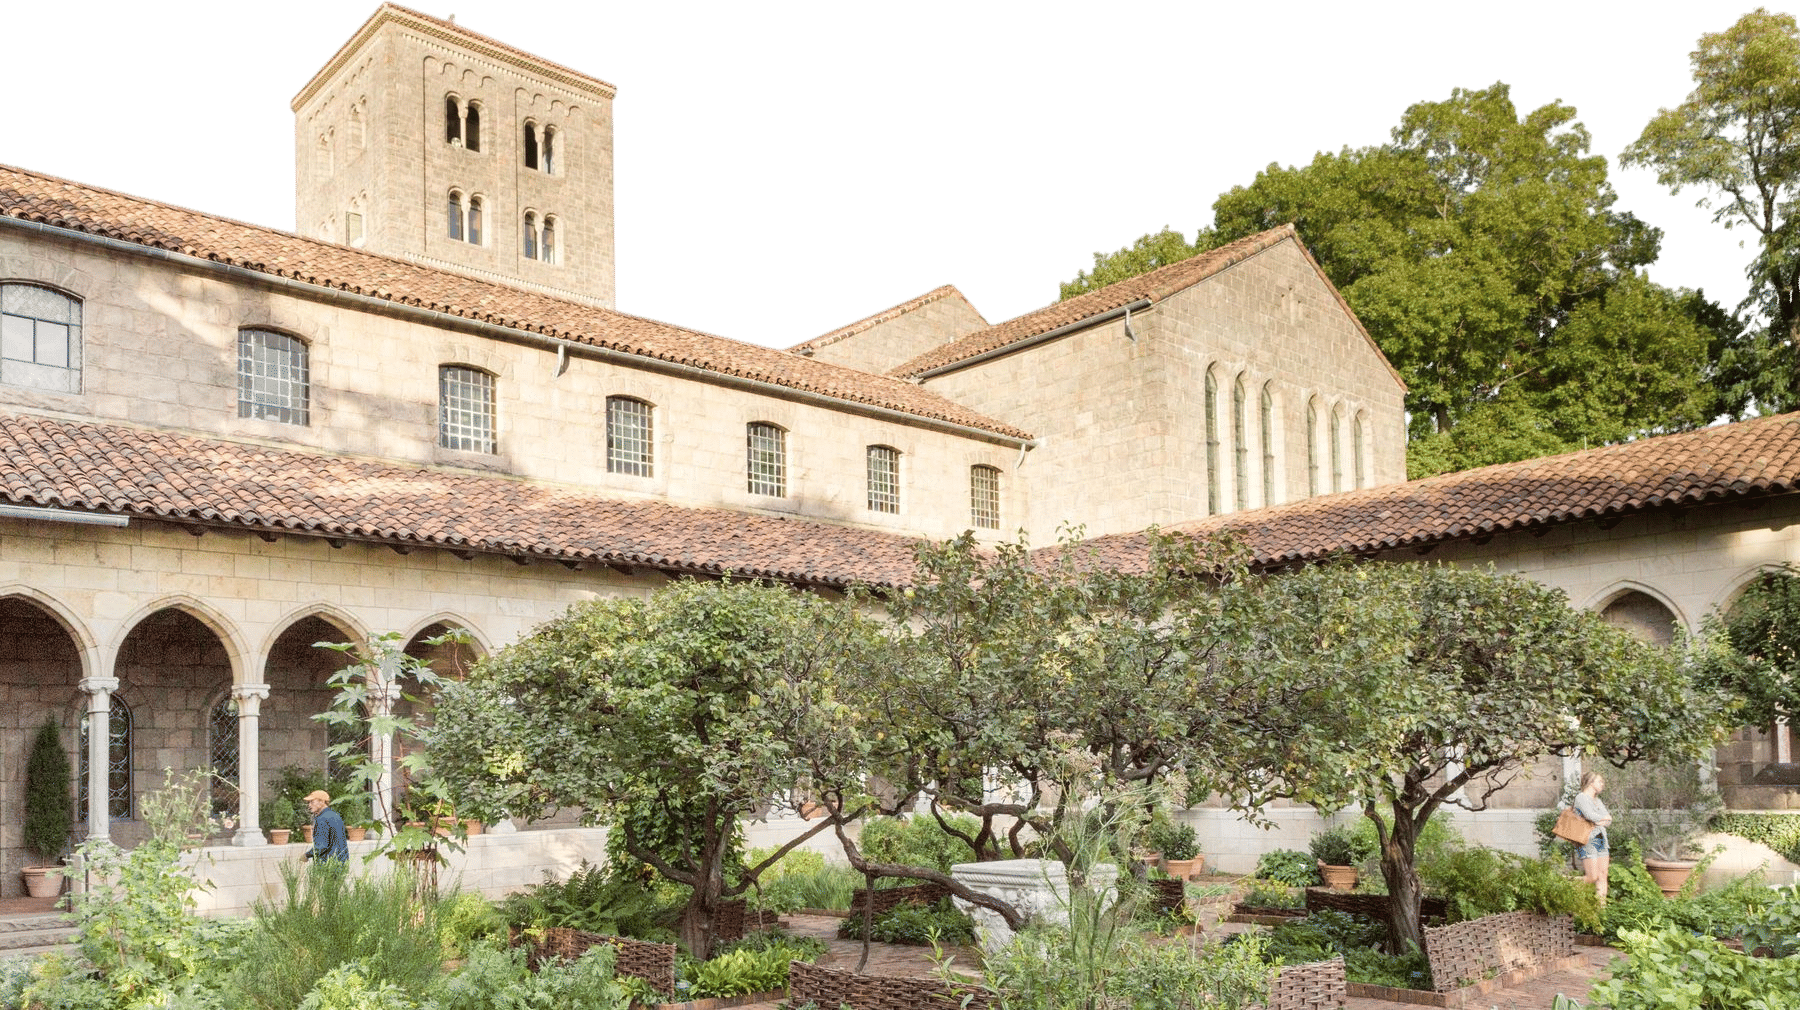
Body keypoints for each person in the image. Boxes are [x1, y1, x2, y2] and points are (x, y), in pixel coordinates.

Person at [1571, 771, 1613, 904]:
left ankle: (1602, 910)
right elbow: (1590, 815)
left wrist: (1599, 820)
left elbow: (1609, 819)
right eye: (1600, 781)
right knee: (1592, 876)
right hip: (1588, 839)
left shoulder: (1597, 801)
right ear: (1591, 782)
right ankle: (1565, 883)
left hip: (1601, 839)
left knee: (1602, 875)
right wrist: (1600, 820)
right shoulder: (1581, 798)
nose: (1602, 784)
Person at [303, 789, 349, 863]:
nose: (309, 805)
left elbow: (321, 846)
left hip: (327, 865)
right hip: (341, 862)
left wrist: (306, 855)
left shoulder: (322, 819)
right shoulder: (335, 815)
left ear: (322, 801)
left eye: (312, 802)